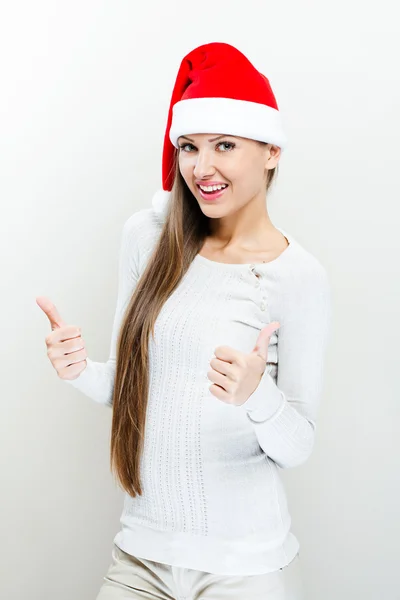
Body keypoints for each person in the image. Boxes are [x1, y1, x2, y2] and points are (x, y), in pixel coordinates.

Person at [39, 42, 332, 599]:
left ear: (271, 151)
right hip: (140, 555)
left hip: (245, 568)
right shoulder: (147, 239)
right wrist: (79, 370)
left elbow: (298, 445)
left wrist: (256, 396)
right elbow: (130, 386)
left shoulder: (299, 277)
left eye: (225, 144)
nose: (202, 168)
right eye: (190, 147)